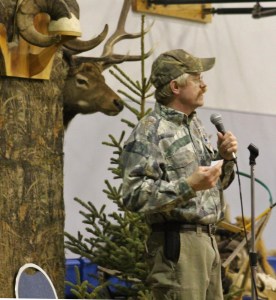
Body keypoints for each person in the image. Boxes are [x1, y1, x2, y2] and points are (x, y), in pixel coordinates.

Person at [120, 49, 238, 300]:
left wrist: (225, 160)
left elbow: (213, 185)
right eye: (197, 79)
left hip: (208, 242)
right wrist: (188, 186)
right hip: (179, 247)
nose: (204, 85)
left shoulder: (194, 125)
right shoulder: (150, 131)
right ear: (175, 86)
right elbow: (133, 196)